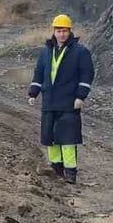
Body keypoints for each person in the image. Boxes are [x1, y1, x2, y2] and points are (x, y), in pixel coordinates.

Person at [27, 14, 94, 184]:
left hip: (69, 103)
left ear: (69, 31)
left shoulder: (81, 52)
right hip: (49, 102)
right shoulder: (46, 52)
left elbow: (87, 75)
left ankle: (70, 173)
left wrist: (80, 96)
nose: (61, 34)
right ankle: (56, 169)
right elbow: (39, 73)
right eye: (58, 31)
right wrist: (33, 92)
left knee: (68, 138)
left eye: (64, 31)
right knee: (50, 137)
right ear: (54, 32)